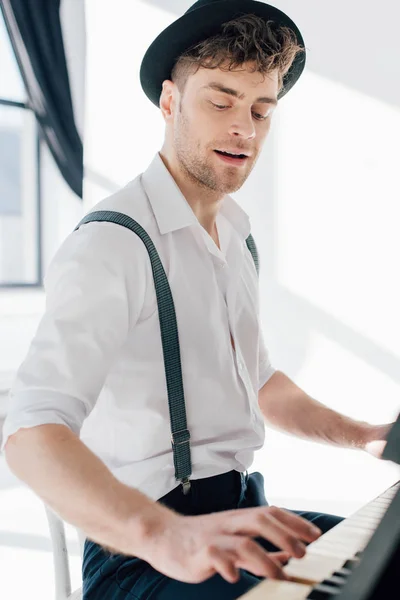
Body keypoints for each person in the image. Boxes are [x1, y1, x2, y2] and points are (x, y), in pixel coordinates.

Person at [2, 1, 392, 599]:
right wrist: (163, 535)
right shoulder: (112, 243)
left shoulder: (235, 237)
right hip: (140, 558)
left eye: (262, 110)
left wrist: (366, 435)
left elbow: (262, 385)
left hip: (241, 518)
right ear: (169, 102)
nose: (245, 128)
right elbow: (30, 428)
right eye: (220, 101)